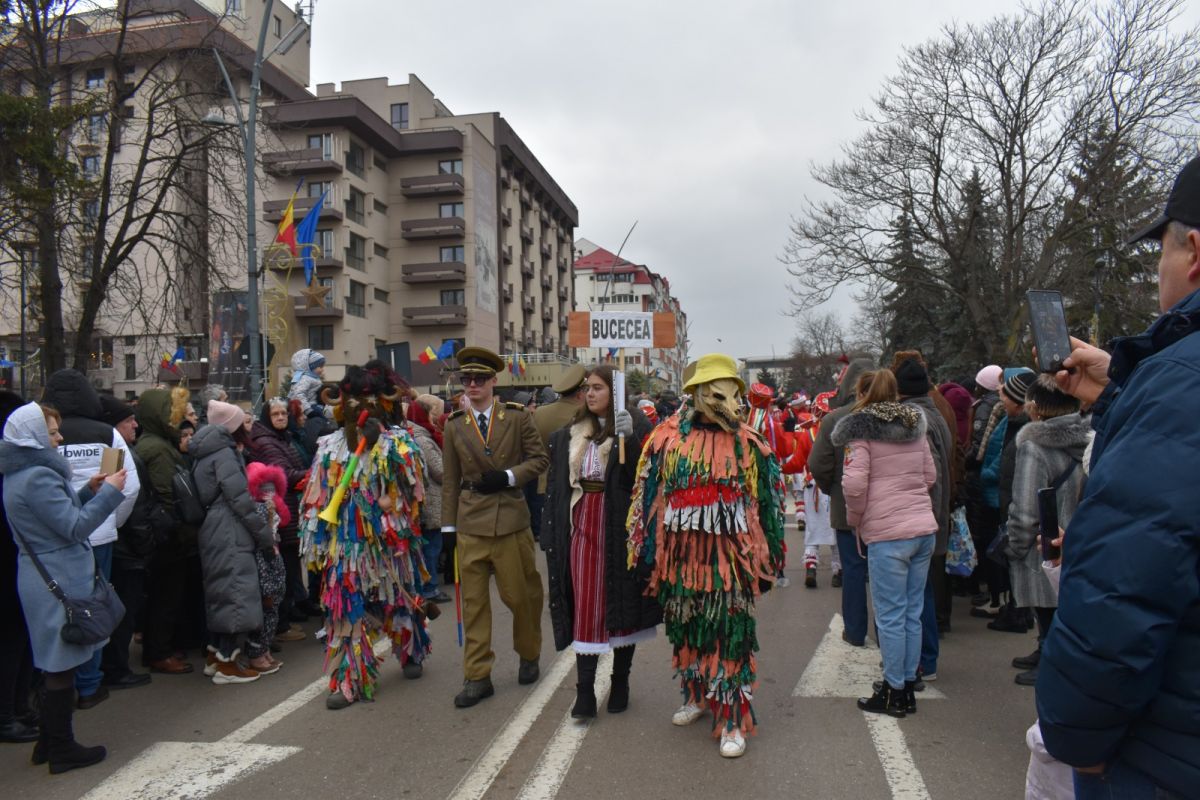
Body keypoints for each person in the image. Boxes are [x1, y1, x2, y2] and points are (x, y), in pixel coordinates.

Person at [1037, 155, 1200, 799]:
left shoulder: (1180, 385)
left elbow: (1124, 591)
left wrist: (1080, 739)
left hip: (1168, 752)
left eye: (1162, 249)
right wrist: (1119, 391)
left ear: (1193, 252)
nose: (1158, 267)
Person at [627, 353, 785, 759]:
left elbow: (767, 504)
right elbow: (648, 497)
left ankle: (732, 717)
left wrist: (770, 556)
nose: (731, 406)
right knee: (686, 628)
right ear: (696, 395)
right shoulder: (666, 439)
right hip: (679, 560)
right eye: (718, 396)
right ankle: (696, 695)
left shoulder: (749, 443)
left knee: (731, 635)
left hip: (730, 562)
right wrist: (644, 549)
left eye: (735, 396)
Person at [0, 402, 127, 773]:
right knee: (61, 664)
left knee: (54, 661)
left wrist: (88, 491)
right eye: (52, 432)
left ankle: (48, 741)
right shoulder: (37, 476)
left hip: (43, 574)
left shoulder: (23, 472)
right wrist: (110, 493)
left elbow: (55, 518)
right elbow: (74, 528)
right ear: (33, 437)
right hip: (57, 576)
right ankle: (61, 748)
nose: (59, 438)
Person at [298, 363, 431, 709]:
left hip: (390, 543)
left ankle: (411, 650)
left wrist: (392, 496)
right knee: (345, 612)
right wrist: (317, 541)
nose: (360, 409)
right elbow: (316, 498)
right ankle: (349, 679)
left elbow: (414, 494)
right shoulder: (329, 447)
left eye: (369, 401)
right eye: (354, 401)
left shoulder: (398, 444)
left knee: (399, 599)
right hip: (346, 547)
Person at [542, 365, 660, 719]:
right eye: (587, 388)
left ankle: (620, 681)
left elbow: (646, 478)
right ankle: (584, 690)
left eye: (597, 388)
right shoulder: (570, 432)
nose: (589, 394)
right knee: (586, 603)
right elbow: (557, 488)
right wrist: (550, 531)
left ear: (615, 391)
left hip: (619, 523)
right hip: (582, 523)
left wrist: (631, 440)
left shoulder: (635, 426)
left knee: (622, 602)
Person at [442, 347, 549, 708]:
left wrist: (508, 476)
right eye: (466, 379)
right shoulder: (454, 424)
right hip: (471, 521)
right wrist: (447, 530)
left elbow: (539, 459)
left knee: (521, 597)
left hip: (510, 521)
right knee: (473, 605)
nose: (472, 385)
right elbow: (450, 480)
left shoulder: (516, 417)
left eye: (479, 379)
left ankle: (529, 652)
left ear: (493, 381)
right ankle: (477, 676)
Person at [833, 370, 937, 718]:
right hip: (921, 527)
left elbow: (853, 485)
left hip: (888, 532)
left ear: (863, 392)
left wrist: (856, 517)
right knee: (911, 612)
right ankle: (905, 683)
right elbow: (930, 475)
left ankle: (893, 691)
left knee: (890, 615)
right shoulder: (914, 425)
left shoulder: (860, 429)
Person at [40, 369, 141, 710]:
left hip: (53, 538)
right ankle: (89, 684)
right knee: (94, 608)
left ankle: (56, 684)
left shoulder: (44, 433)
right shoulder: (105, 434)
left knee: (56, 611)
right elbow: (127, 484)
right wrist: (111, 521)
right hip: (98, 535)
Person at [999, 375, 1087, 687]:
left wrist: (1014, 545)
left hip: (1044, 541)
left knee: (1047, 606)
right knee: (1060, 605)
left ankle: (1051, 660)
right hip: (1076, 537)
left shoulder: (1034, 446)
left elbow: (1026, 506)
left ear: (1034, 407)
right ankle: (1044, 650)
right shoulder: (1088, 438)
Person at [192, 399, 272, 684]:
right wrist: (264, 534)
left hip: (214, 527)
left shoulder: (206, 451)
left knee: (222, 591)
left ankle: (216, 657)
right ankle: (228, 664)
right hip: (229, 528)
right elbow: (240, 500)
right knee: (236, 591)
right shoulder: (224, 454)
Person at [891, 354, 952, 682]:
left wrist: (923, 518)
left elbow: (931, 476)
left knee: (917, 596)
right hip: (931, 516)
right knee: (921, 592)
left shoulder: (916, 420)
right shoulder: (935, 411)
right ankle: (924, 658)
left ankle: (923, 661)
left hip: (922, 519)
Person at [809, 357, 875, 646]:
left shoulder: (835, 419)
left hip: (846, 507)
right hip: (884, 510)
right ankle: (888, 637)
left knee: (853, 570)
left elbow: (818, 463)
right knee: (886, 574)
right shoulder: (889, 416)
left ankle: (855, 631)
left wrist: (832, 489)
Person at [131, 389, 194, 675]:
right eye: (169, 411)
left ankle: (162, 647)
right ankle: (159, 653)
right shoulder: (156, 448)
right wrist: (179, 525)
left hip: (165, 532)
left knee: (165, 595)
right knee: (164, 596)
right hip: (167, 535)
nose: (174, 417)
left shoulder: (157, 443)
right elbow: (167, 493)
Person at [97, 395, 156, 691]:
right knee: (121, 610)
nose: (135, 425)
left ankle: (113, 667)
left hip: (123, 541)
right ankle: (115, 669)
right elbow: (127, 498)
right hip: (125, 544)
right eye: (128, 420)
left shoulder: (123, 449)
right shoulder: (114, 451)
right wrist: (141, 543)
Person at [247, 398, 311, 638]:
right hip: (282, 512)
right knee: (284, 570)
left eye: (284, 413)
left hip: (288, 510)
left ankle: (285, 619)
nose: (281, 417)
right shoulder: (268, 442)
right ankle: (281, 626)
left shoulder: (281, 438)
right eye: (275, 414)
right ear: (267, 417)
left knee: (289, 568)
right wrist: (316, 472)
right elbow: (287, 475)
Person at [0, 390, 38, 745]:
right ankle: (6, 714)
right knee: (11, 639)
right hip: (11, 561)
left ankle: (19, 706)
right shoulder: (15, 469)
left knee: (21, 637)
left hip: (18, 559)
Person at [531, 364, 587, 543]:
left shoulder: (540, 412)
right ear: (580, 393)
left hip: (546, 481)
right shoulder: (585, 413)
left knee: (555, 535)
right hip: (580, 484)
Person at [242, 462, 288, 675]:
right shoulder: (258, 512)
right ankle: (256, 653)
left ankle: (265, 648)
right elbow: (262, 552)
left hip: (273, 561)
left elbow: (282, 522)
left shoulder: (270, 511)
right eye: (265, 491)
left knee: (272, 614)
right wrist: (267, 588)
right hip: (265, 567)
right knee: (265, 613)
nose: (269, 496)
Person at [407, 396, 449, 603]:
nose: (435, 418)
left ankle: (425, 586)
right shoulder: (423, 439)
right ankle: (429, 588)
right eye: (433, 413)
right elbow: (439, 470)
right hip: (431, 500)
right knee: (431, 547)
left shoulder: (419, 435)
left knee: (429, 546)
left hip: (429, 499)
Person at [288, 348, 330, 420]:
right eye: (320, 367)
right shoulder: (305, 378)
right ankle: (327, 423)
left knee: (325, 412)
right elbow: (298, 394)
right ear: (311, 367)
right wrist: (307, 410)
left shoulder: (313, 378)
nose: (322, 369)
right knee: (322, 417)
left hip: (314, 404)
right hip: (309, 406)